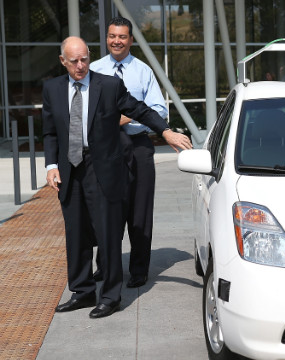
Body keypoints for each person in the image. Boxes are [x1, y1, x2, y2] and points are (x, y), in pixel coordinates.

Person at [43, 36, 192, 318]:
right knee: (76, 233)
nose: (80, 65)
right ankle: (82, 292)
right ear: (63, 61)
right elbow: (50, 132)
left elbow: (140, 109)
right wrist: (51, 165)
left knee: (108, 233)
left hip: (102, 168)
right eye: (73, 61)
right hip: (70, 169)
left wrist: (165, 131)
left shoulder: (108, 85)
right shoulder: (52, 89)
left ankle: (110, 297)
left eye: (84, 58)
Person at [91, 16, 167, 288]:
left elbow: (159, 110)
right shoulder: (94, 69)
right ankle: (105, 266)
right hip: (104, 150)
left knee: (139, 212)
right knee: (107, 209)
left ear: (131, 40)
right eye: (112, 36)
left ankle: (138, 269)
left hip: (138, 148)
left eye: (122, 37)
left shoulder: (143, 71)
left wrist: (123, 118)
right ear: (107, 38)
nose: (117, 41)